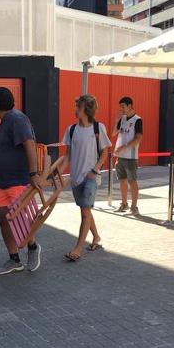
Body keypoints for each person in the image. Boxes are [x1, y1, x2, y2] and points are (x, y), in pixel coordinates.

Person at [0, 87, 41, 275]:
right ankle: (14, 259)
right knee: (3, 218)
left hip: (18, 179)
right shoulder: (5, 122)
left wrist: (34, 173)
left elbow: (29, 143)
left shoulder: (17, 119)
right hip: (5, 181)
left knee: (20, 219)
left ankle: (33, 247)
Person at [63, 95, 111, 261]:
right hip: (76, 178)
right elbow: (67, 156)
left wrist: (95, 170)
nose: (75, 109)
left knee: (84, 212)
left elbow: (105, 151)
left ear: (85, 109)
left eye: (78, 106)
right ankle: (96, 237)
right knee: (86, 210)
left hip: (91, 177)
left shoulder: (98, 128)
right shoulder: (71, 129)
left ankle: (77, 249)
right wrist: (58, 175)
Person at [112, 97, 142, 215]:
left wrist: (124, 147)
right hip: (120, 156)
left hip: (131, 157)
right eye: (120, 106)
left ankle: (134, 207)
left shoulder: (138, 120)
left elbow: (138, 138)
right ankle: (124, 204)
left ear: (130, 106)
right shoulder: (122, 119)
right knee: (122, 180)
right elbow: (114, 133)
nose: (121, 109)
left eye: (123, 106)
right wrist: (116, 120)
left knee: (132, 181)